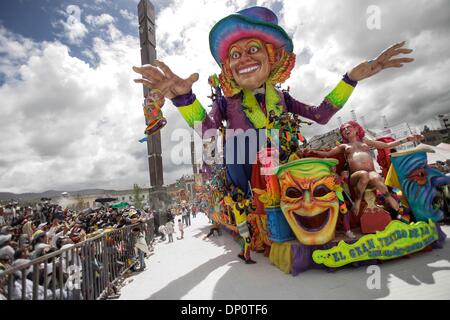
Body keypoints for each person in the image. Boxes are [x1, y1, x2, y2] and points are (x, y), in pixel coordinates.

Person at [133, 6, 413, 199]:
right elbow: (206, 130)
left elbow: (321, 115)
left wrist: (350, 79)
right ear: (228, 68)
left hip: (285, 163)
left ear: (273, 58)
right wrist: (183, 98)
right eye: (235, 54)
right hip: (244, 171)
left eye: (253, 49)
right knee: (241, 149)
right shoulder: (227, 102)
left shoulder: (281, 97)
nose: (244, 59)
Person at [311, 121, 423, 215]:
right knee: (364, 174)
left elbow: (387, 145)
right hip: (356, 177)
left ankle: (390, 199)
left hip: (370, 176)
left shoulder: (365, 141)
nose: (345, 129)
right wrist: (313, 151)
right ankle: (357, 201)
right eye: (343, 129)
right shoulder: (344, 146)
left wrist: (407, 139)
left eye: (348, 127)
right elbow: (328, 154)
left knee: (375, 176)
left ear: (356, 129)